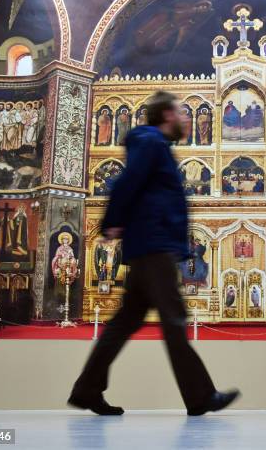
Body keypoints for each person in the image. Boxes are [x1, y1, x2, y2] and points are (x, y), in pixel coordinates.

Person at [68, 91, 240, 416]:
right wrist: (111, 221)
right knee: (173, 321)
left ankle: (87, 390)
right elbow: (127, 181)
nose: (188, 119)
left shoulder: (154, 144)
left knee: (124, 322)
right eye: (182, 113)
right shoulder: (151, 142)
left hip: (151, 244)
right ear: (167, 116)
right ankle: (201, 396)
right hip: (153, 245)